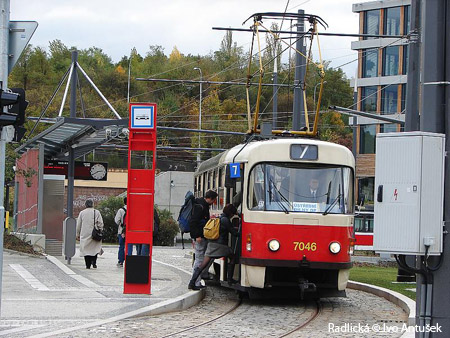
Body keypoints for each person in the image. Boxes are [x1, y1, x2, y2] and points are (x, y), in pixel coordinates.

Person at [188, 204, 239, 290]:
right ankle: (230, 280)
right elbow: (234, 233)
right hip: (220, 246)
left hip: (211, 244)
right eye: (233, 214)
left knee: (202, 265)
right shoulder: (226, 220)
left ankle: (192, 282)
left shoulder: (218, 218)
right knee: (232, 256)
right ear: (231, 213)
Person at [189, 190, 218, 289]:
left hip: (202, 236)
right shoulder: (200, 206)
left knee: (204, 258)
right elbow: (193, 222)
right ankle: (195, 282)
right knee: (199, 259)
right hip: (200, 237)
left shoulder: (202, 205)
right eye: (214, 200)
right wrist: (197, 236)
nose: (214, 202)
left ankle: (198, 280)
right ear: (210, 199)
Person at [76, 199, 104, 269]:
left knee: (86, 250)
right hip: (94, 233)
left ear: (85, 205)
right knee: (94, 249)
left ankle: (87, 265)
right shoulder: (97, 212)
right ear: (92, 204)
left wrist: (77, 234)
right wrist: (100, 229)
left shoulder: (82, 213)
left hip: (85, 233)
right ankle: (94, 262)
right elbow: (100, 223)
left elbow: (78, 224)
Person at [114, 197, 127, 267]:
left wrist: (121, 225)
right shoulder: (133, 209)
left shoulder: (121, 210)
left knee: (121, 246)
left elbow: (116, 220)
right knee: (129, 246)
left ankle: (120, 261)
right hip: (130, 231)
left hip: (121, 231)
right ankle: (129, 260)